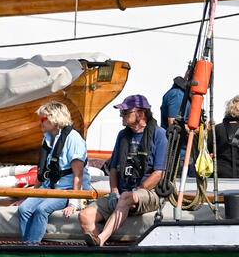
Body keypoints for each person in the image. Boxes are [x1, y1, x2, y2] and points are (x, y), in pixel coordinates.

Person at [80, 95, 169, 246]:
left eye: (126, 112)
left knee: (127, 197)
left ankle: (100, 239)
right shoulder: (122, 136)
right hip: (123, 193)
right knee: (85, 215)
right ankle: (98, 252)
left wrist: (136, 192)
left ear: (140, 114)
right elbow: (114, 169)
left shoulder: (159, 135)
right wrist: (114, 191)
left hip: (150, 192)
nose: (122, 116)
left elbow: (159, 173)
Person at [16, 101, 87, 244]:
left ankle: (31, 246)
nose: (40, 123)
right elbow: (43, 173)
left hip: (66, 190)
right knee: (24, 209)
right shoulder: (48, 138)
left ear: (54, 119)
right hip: (48, 188)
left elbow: (78, 175)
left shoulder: (74, 139)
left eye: (43, 119)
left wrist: (74, 203)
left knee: (42, 210)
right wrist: (30, 195)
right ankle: (26, 245)